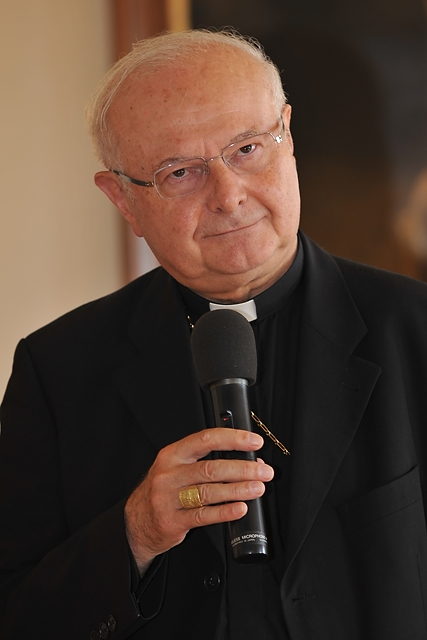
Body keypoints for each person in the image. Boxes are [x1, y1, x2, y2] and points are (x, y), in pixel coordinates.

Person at [1, 29, 427, 640]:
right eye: (180, 172)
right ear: (123, 199)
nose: (228, 195)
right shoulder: (58, 371)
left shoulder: (415, 329)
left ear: (287, 137)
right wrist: (135, 532)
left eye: (247, 148)